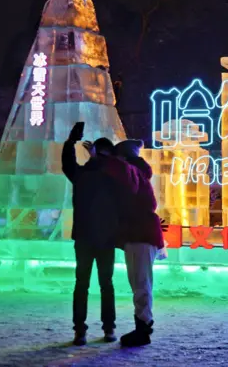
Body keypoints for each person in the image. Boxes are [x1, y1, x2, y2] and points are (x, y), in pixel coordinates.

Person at [61, 123, 122, 346]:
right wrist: (70, 142)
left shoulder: (112, 176)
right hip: (88, 237)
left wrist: (98, 158)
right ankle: (81, 329)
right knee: (85, 283)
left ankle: (107, 327)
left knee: (103, 283)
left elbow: (115, 169)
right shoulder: (83, 175)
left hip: (102, 238)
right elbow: (68, 164)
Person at [112, 139, 164, 347]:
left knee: (140, 282)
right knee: (141, 282)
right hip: (142, 233)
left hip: (138, 234)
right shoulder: (140, 175)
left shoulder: (132, 175)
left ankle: (143, 328)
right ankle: (143, 326)